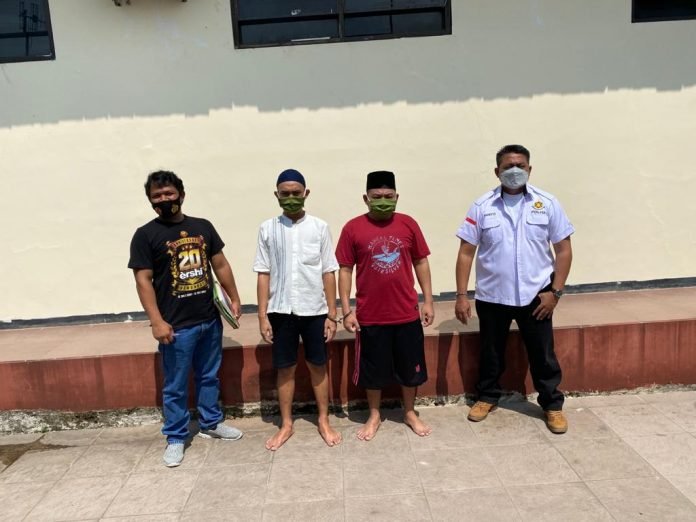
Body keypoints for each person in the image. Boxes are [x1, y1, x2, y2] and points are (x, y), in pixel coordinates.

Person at [454, 144, 574, 434]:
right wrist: (461, 295)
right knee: (491, 351)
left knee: (543, 354)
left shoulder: (547, 203)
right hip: (492, 295)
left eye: (520, 165)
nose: (515, 171)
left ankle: (552, 404)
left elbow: (564, 250)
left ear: (530, 169)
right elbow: (466, 252)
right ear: (497, 171)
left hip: (537, 296)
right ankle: (487, 397)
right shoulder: (482, 206)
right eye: (508, 166)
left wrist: (555, 292)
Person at [128, 170, 244, 467]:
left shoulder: (202, 226)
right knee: (176, 385)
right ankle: (176, 437)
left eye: (168, 193)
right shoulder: (145, 235)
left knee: (209, 376)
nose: (163, 199)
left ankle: (210, 423)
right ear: (150, 201)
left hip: (209, 319)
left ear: (181, 194)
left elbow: (220, 263)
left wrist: (234, 297)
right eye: (157, 196)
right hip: (176, 326)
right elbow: (143, 280)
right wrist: (156, 321)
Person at [336, 170, 434, 441]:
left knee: (410, 369)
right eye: (376, 196)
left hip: (406, 313)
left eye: (388, 196)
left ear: (397, 197)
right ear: (365, 198)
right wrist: (346, 310)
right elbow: (345, 269)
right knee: (373, 371)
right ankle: (374, 414)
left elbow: (421, 261)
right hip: (370, 316)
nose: (382, 201)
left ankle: (410, 412)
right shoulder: (352, 228)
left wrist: (427, 300)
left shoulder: (408, 224)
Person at [254, 169, 342, 451]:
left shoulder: (319, 227)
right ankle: (286, 424)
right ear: (276, 195)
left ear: (306, 193)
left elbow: (328, 271)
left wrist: (332, 314)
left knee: (318, 365)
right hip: (281, 311)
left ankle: (324, 420)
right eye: (285, 193)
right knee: (285, 368)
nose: (291, 197)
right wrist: (262, 316)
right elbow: (263, 273)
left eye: (296, 193)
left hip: (314, 310)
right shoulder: (267, 229)